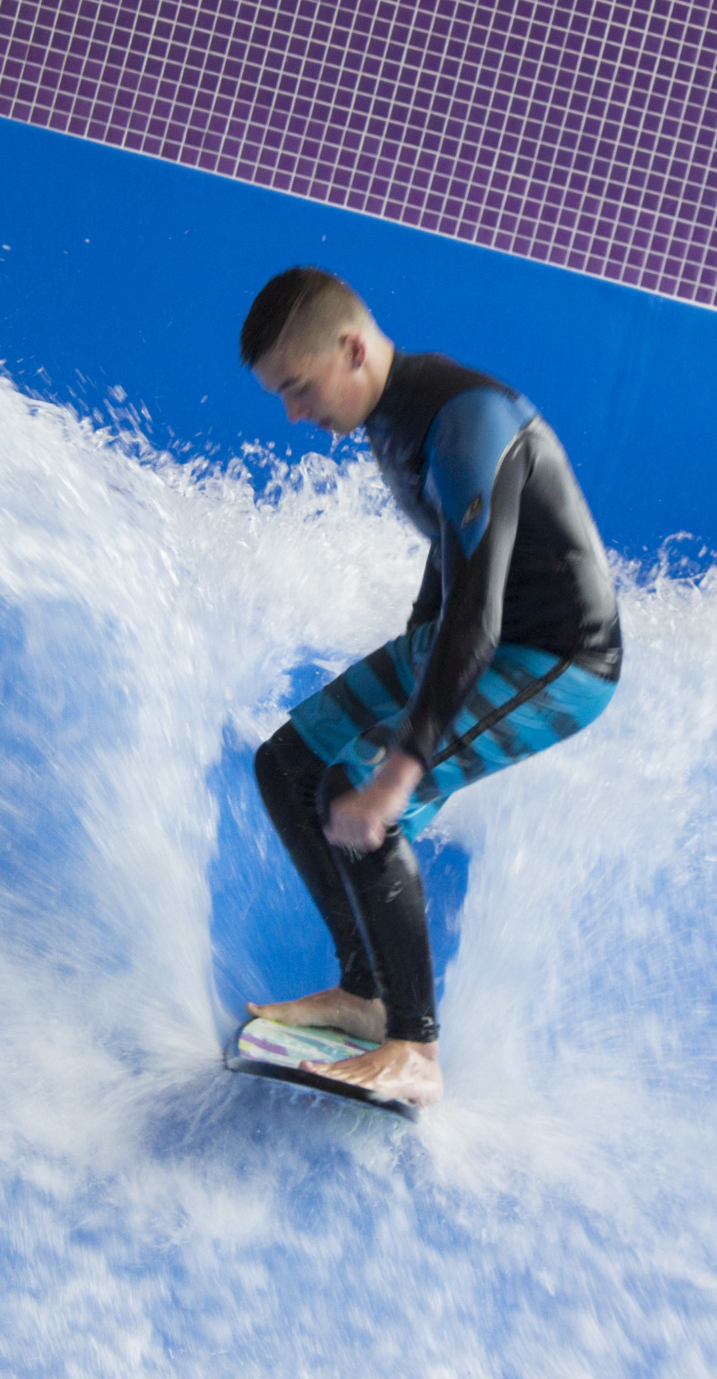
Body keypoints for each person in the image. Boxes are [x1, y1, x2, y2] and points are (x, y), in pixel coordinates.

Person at [240, 268, 625, 1107]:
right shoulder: (392, 413)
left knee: (362, 793)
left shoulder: (468, 418)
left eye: (298, 389)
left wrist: (397, 769)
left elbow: (478, 615)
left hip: (554, 657)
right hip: (464, 633)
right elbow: (448, 557)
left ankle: (415, 1048)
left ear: (351, 348)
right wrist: (404, 664)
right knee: (290, 764)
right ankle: (364, 995)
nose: (294, 414)